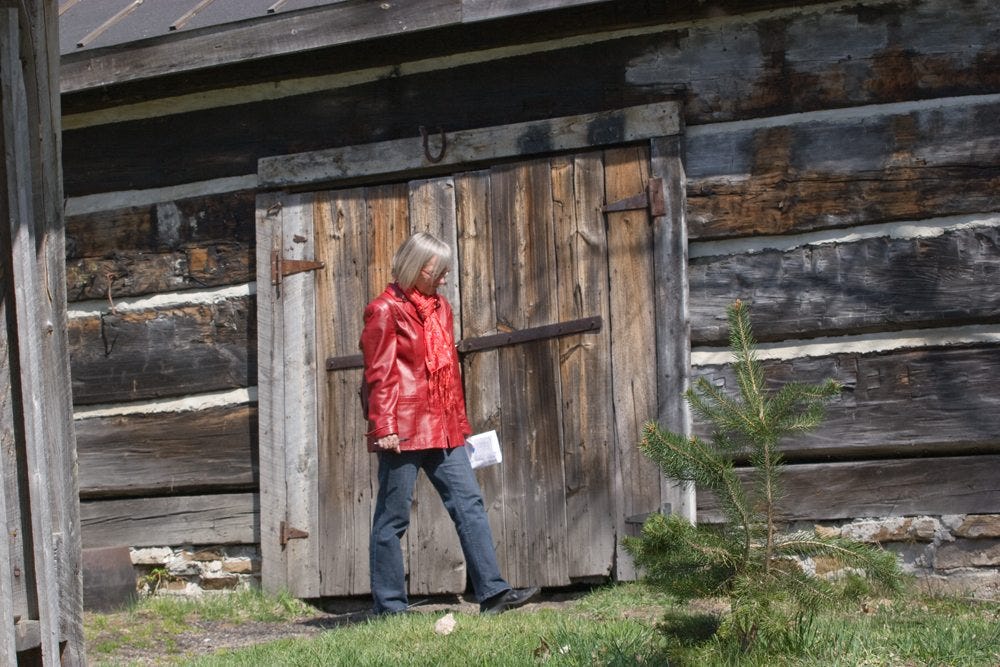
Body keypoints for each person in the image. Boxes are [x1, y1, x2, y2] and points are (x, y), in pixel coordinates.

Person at [360, 231, 539, 616]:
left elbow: (447, 373)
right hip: (404, 430)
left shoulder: (441, 307)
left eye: (445, 271)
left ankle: (492, 594)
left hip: (442, 426)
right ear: (414, 267)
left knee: (469, 504)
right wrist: (384, 426)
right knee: (393, 518)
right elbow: (379, 374)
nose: (443, 278)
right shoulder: (384, 310)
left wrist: (458, 422)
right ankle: (389, 608)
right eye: (436, 270)